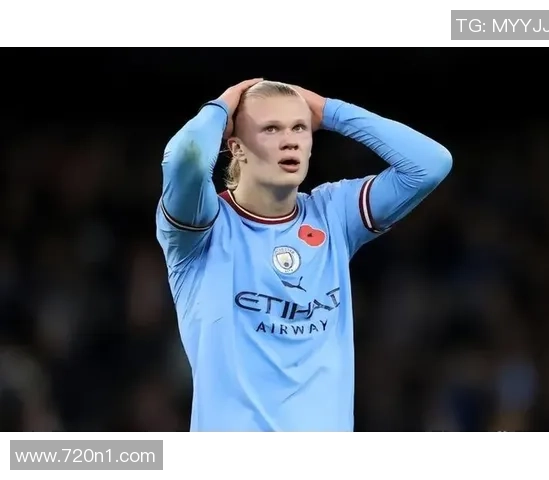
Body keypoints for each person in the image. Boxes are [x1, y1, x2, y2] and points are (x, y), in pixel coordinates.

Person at [156, 78, 452, 431]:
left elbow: (430, 164)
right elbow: (186, 157)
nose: (290, 140)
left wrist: (330, 111)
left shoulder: (333, 214)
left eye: (299, 127)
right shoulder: (202, 227)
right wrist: (222, 105)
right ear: (236, 148)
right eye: (271, 129)